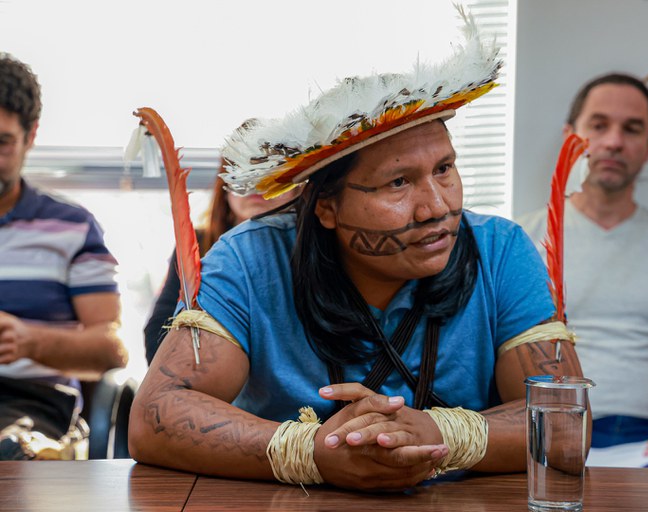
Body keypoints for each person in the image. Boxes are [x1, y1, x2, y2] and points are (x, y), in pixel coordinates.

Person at [128, 15, 586, 491]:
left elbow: (567, 428)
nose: (438, 206)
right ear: (325, 206)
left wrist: (441, 433)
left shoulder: (501, 251)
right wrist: (311, 453)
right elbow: (156, 416)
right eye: (399, 182)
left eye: (445, 168)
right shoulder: (250, 261)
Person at [519, 73, 648, 469]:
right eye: (598, 125)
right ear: (571, 135)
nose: (614, 141)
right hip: (546, 434)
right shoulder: (518, 242)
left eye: (632, 129)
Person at [0, 53, 127, 459]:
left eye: (1, 142)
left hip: (32, 405)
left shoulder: (72, 227)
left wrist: (29, 341)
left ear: (30, 135)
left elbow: (110, 350)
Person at [143, 170, 300, 364]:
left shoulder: (309, 251)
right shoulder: (195, 244)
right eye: (242, 171)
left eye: (273, 171)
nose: (257, 183)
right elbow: (158, 332)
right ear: (225, 184)